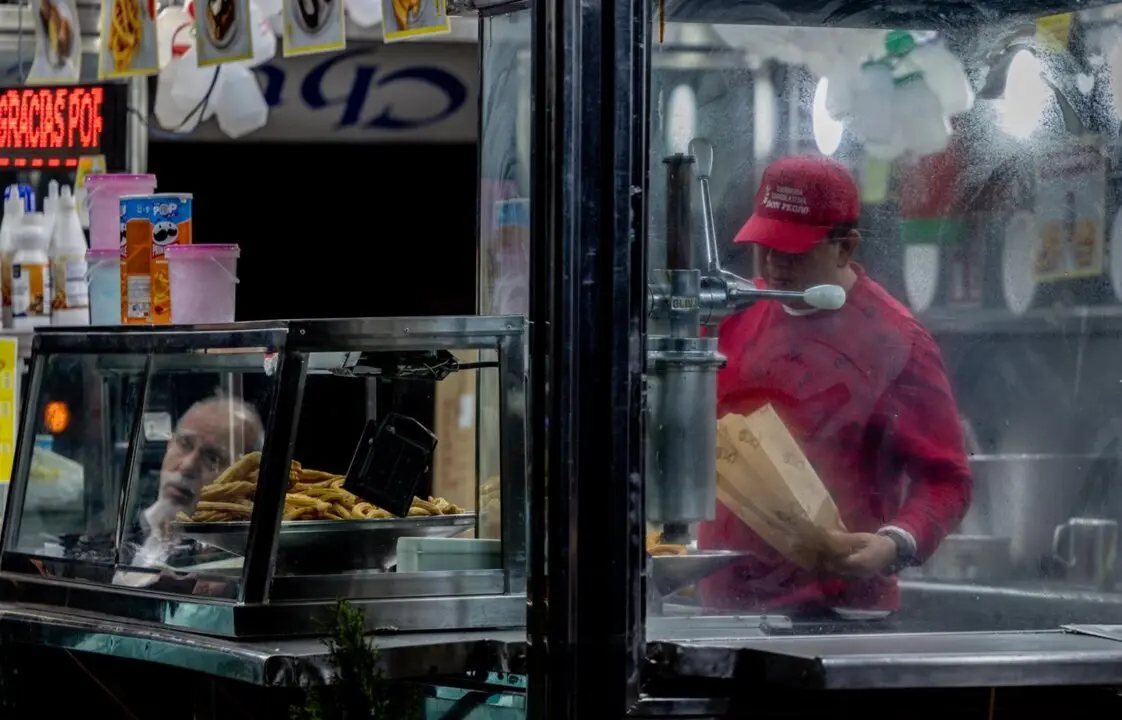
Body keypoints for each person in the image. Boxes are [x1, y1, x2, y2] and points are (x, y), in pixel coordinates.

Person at [697, 155, 972, 617]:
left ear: (845, 247)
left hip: (838, 617)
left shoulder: (897, 343)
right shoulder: (736, 314)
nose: (775, 265)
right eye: (766, 247)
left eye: (794, 251)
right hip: (724, 609)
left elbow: (947, 480)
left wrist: (895, 542)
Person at [114, 394, 264, 591]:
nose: (187, 467)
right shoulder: (121, 530)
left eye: (213, 458)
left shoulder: (242, 570)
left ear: (248, 478)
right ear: (169, 445)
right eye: (184, 444)